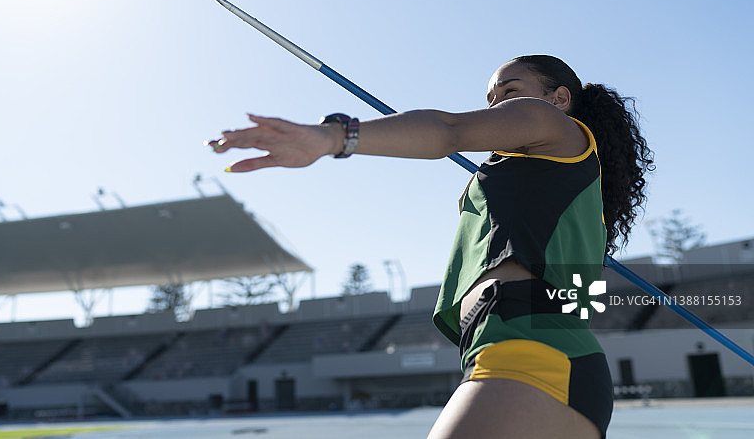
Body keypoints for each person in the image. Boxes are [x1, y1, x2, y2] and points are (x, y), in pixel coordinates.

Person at [208, 54, 654, 439]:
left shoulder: (550, 125)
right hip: (521, 353)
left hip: (533, 351)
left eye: (510, 91)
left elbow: (447, 131)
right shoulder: (548, 175)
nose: (497, 105)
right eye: (491, 100)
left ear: (559, 99)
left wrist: (333, 137)